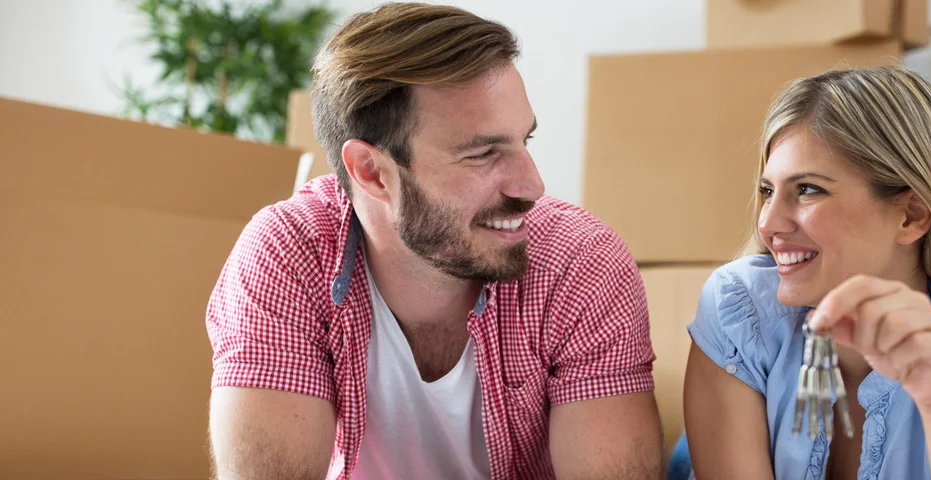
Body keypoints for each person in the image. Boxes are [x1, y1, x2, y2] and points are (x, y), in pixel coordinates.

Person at [205, 3, 663, 479]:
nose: (532, 186)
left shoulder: (579, 263)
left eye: (523, 142)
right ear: (372, 172)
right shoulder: (288, 253)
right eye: (483, 154)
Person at [676, 65, 931, 479]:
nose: (769, 224)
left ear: (911, 216)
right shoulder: (740, 314)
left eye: (808, 189)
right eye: (767, 191)